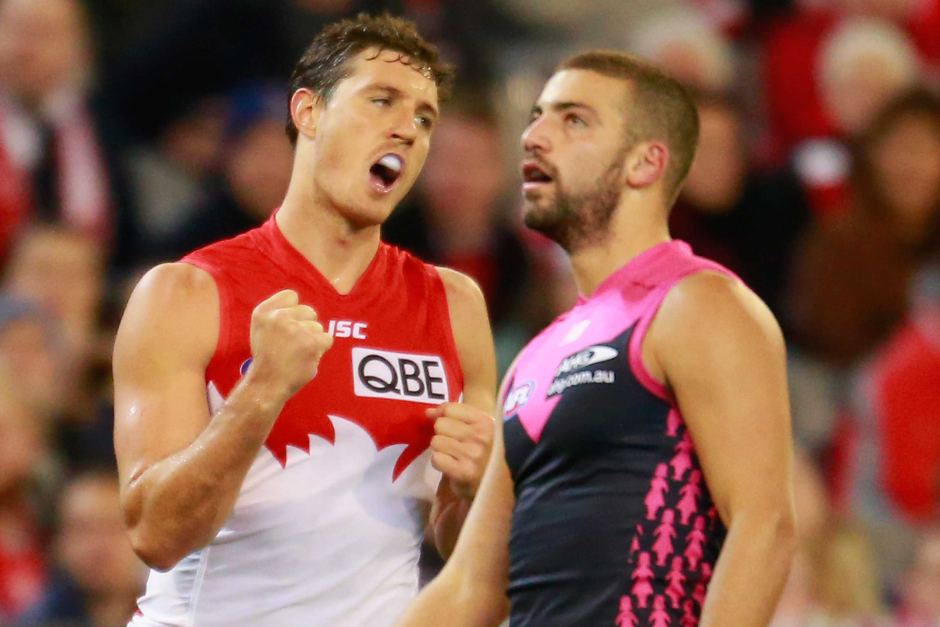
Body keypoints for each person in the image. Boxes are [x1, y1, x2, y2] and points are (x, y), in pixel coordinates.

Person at [112, 14, 496, 627]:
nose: (407, 130)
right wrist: (261, 389)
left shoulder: (453, 305)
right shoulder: (186, 292)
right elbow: (156, 533)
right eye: (382, 101)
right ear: (308, 112)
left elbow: (457, 545)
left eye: (425, 118)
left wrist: (473, 490)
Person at [396, 51, 796, 626]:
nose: (534, 136)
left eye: (573, 119)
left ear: (645, 164)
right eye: (536, 117)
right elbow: (469, 589)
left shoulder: (698, 305)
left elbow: (764, 528)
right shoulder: (535, 359)